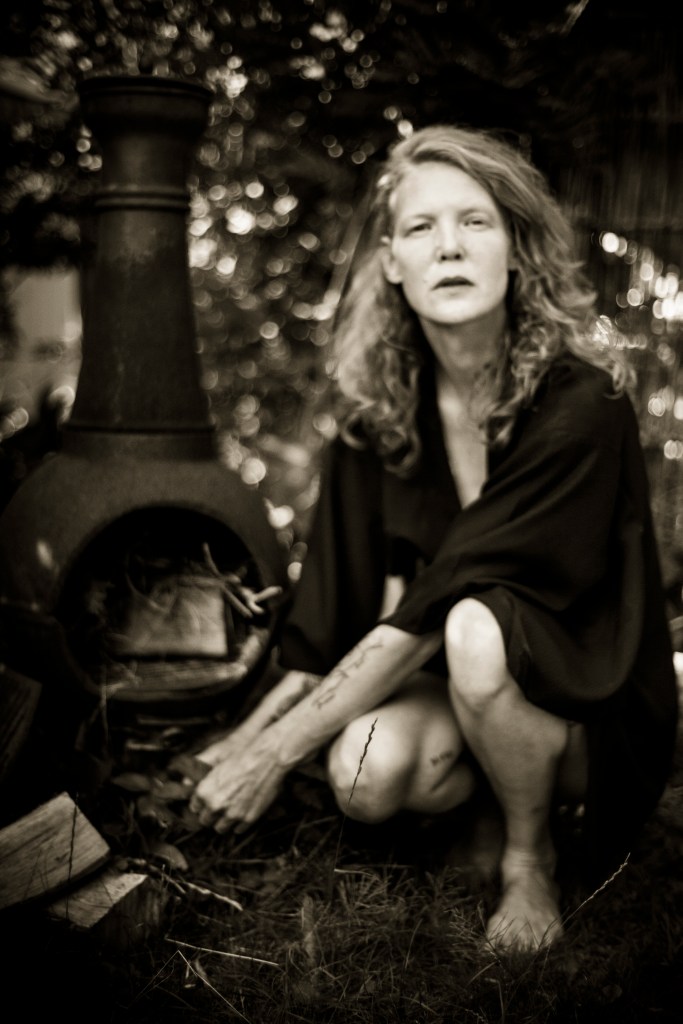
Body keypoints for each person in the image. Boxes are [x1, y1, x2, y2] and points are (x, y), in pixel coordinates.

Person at [189, 124, 679, 952]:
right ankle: (483, 801)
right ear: (391, 262)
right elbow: (327, 625)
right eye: (420, 228)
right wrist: (234, 747)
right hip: (453, 692)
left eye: (474, 222)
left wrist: (271, 758)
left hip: (580, 709)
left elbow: (435, 607)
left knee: (473, 625)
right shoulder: (376, 420)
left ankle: (529, 857)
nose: (447, 246)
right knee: (365, 774)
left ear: (515, 249)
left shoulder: (579, 408)